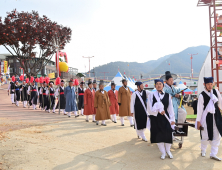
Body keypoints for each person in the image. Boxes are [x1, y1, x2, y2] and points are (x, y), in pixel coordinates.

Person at [148, 79, 175, 160]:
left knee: (168, 134)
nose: (159, 85)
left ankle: (168, 151)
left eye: (160, 84)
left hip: (166, 118)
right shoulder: (151, 95)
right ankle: (163, 153)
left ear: (163, 85)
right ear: (155, 86)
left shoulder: (168, 95)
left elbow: (170, 108)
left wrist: (172, 119)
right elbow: (149, 109)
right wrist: (158, 111)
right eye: (157, 84)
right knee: (159, 136)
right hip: (156, 119)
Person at [196, 77, 222, 161]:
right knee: (205, 135)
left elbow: (220, 103)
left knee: (216, 134)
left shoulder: (216, 92)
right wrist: (198, 121)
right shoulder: (202, 95)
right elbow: (199, 110)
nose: (210, 86)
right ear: (204, 85)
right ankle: (203, 150)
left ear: (213, 84)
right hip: (206, 117)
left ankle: (213, 154)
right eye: (208, 84)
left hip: (216, 116)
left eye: (211, 84)